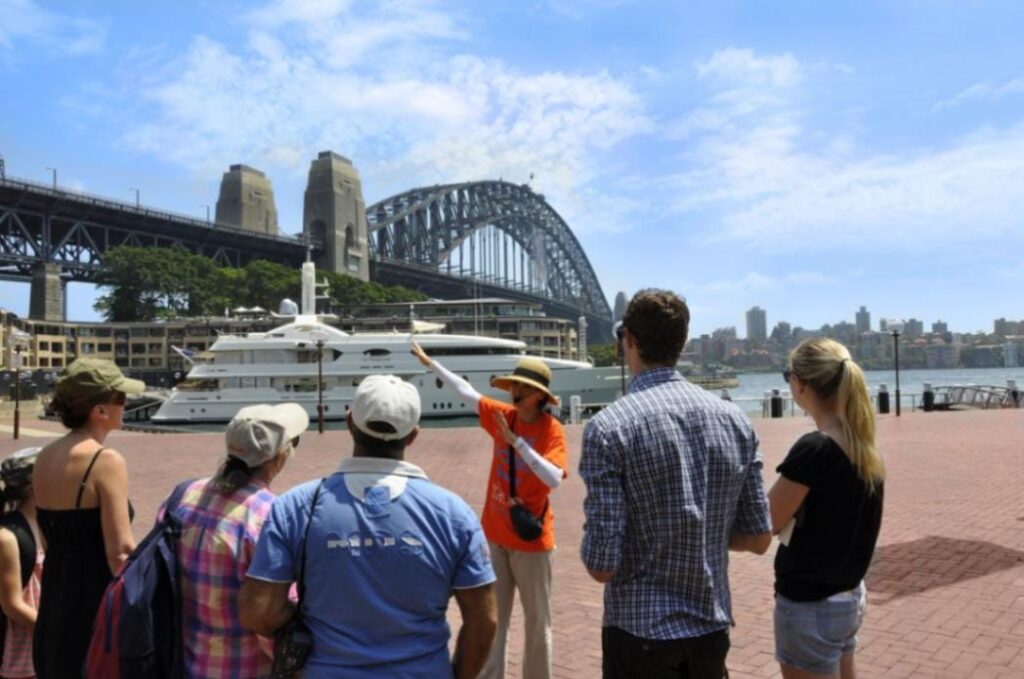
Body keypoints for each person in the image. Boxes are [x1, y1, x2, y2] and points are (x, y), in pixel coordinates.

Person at [239, 374, 497, 678]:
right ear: (413, 435)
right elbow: (484, 619)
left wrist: (304, 620)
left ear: (350, 423)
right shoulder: (453, 513)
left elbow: (258, 610)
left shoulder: (296, 506)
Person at [579, 289, 772, 679]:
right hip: (710, 631)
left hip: (639, 635)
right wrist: (701, 531)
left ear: (629, 340)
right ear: (682, 343)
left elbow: (602, 566)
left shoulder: (609, 427)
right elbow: (758, 537)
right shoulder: (734, 420)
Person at [411, 341, 568, 679]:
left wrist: (517, 443)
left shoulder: (550, 430)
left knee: (538, 624)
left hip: (532, 544)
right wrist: (431, 363)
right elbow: (465, 391)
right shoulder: (503, 417)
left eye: (524, 388)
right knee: (494, 618)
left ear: (540, 396)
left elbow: (554, 478)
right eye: (515, 386)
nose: (516, 392)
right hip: (495, 536)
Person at [158, 403, 308, 678]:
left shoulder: (182, 495)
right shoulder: (270, 515)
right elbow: (272, 613)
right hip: (246, 667)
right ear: (279, 456)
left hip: (181, 660)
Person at [769, 339, 885, 679]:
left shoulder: (816, 448)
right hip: (847, 597)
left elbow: (769, 521)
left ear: (801, 383)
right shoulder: (863, 446)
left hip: (809, 605)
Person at [32, 358, 141, 679]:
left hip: (54, 604)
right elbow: (120, 551)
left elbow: (48, 537)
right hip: (93, 610)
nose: (127, 404)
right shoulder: (105, 460)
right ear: (100, 410)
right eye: (121, 398)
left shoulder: (44, 457)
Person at [0, 448, 44, 679]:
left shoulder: (52, 525)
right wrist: (53, 630)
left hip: (46, 643)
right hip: (24, 646)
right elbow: (12, 605)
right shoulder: (8, 536)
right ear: (32, 486)